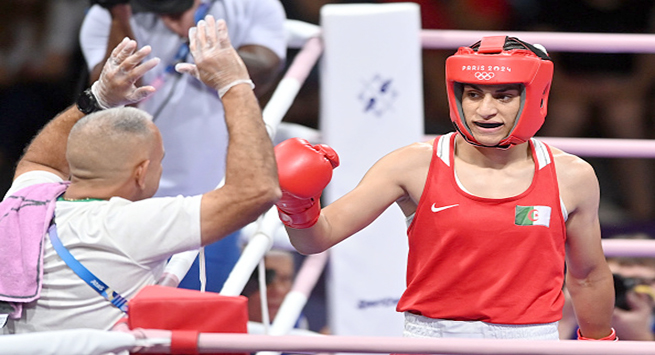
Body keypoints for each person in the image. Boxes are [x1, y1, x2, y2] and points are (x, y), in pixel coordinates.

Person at [274, 36, 616, 340]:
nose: (485, 110)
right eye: (473, 94)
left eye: (504, 95)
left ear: (533, 98)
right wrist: (296, 203)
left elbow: (587, 276)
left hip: (529, 338)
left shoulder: (571, 175)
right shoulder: (412, 164)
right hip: (432, 337)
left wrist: (600, 345)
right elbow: (316, 239)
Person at [0, 16, 280, 334]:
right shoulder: (132, 225)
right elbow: (256, 191)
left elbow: (41, 162)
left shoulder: (26, 202)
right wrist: (235, 83)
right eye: (160, 161)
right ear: (141, 173)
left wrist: (98, 98)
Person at [78, 0, 287, 291]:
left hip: (216, 196)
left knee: (206, 314)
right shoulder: (108, 15)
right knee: (131, 316)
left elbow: (265, 69)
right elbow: (110, 101)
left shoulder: (251, 5)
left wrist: (195, 38)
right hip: (132, 202)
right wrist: (120, 16)